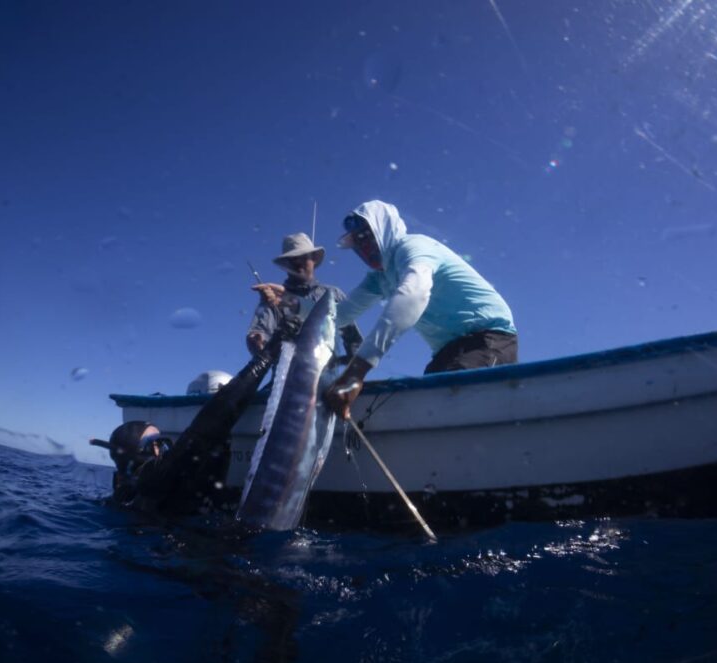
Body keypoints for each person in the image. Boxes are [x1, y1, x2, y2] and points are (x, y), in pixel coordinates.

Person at [324, 200, 517, 419]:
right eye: (357, 244)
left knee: (444, 401)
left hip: (489, 338)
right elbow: (340, 314)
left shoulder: (414, 247)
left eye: (365, 238)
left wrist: (356, 372)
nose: (363, 249)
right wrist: (296, 306)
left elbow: (414, 294)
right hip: (447, 351)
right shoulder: (380, 278)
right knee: (428, 403)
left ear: (383, 229)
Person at [93, 329, 289, 514]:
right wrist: (267, 355)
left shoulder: (130, 493)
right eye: (157, 443)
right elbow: (211, 422)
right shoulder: (152, 480)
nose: (165, 447)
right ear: (142, 453)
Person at [246, 232, 362, 360]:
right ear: (285, 265)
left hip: (329, 379)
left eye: (303, 257)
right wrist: (257, 341)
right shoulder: (272, 297)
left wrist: (353, 373)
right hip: (286, 378)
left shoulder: (333, 294)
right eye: (292, 259)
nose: (298, 262)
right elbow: (259, 336)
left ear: (314, 259)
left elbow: (353, 341)